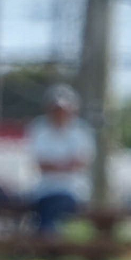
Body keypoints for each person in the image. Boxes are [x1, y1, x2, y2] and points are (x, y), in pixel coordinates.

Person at [28, 84, 94, 235]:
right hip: (44, 189)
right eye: (56, 109)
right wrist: (65, 164)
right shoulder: (39, 128)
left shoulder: (81, 131)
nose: (59, 114)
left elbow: (80, 163)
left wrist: (55, 164)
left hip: (73, 190)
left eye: (63, 110)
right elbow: (41, 164)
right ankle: (49, 239)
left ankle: (47, 238)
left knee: (52, 208)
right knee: (47, 207)